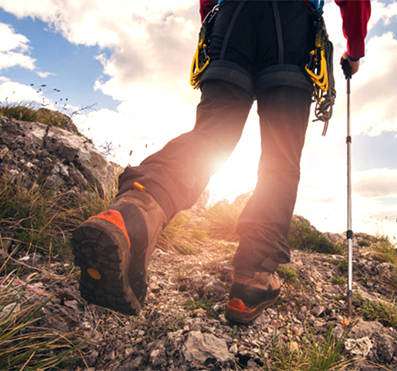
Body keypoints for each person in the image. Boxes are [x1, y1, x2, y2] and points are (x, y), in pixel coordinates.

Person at [71, 0, 371, 323]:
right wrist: (354, 51)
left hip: (232, 18)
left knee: (213, 134)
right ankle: (252, 278)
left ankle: (135, 210)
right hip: (292, 24)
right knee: (280, 158)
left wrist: (216, 22)